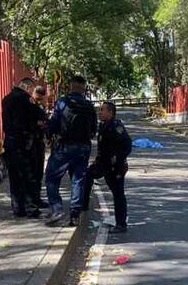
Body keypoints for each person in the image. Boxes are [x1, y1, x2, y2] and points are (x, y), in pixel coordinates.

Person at [44, 75, 97, 226]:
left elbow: (54, 122)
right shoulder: (89, 105)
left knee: (51, 178)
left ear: (71, 86)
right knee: (78, 180)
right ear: (83, 87)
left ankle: (57, 209)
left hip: (64, 146)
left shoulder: (62, 102)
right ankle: (75, 214)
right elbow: (94, 128)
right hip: (83, 147)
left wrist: (48, 135)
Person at [81, 101, 132, 233]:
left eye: (102, 110)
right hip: (102, 164)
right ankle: (83, 206)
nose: (100, 112)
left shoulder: (116, 127)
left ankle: (121, 224)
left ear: (110, 112)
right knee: (87, 175)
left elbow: (127, 145)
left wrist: (117, 160)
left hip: (115, 167)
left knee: (118, 194)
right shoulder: (104, 126)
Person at [2, 77, 41, 218]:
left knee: (14, 177)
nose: (31, 92)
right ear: (27, 87)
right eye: (31, 89)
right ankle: (31, 208)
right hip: (24, 142)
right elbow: (39, 116)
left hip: (10, 141)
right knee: (29, 176)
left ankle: (18, 208)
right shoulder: (26, 100)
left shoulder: (6, 99)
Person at [31, 85, 50, 208]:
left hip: (38, 142)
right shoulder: (31, 106)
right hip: (33, 143)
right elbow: (36, 122)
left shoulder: (38, 106)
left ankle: (36, 198)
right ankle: (33, 199)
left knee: (38, 173)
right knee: (34, 172)